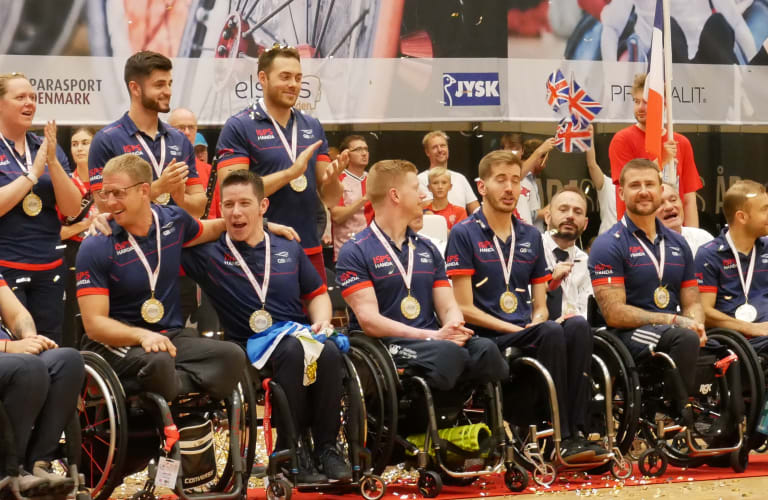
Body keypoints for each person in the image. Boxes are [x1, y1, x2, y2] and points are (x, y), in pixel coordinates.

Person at [182, 170, 352, 483]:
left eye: (245, 203)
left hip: (296, 336)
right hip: (246, 349)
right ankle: (290, 451)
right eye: (228, 204)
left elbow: (316, 295)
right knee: (292, 352)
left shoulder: (288, 248)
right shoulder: (208, 253)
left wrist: (322, 320)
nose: (235, 212)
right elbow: (167, 235)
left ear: (263, 206)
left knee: (328, 351)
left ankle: (327, 448)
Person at [445, 151, 608, 462]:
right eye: (501, 180)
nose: (510, 188)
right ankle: (559, 434)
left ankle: (577, 433)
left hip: (528, 329)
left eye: (516, 180)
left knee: (576, 325)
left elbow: (541, 303)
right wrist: (523, 327)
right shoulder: (463, 233)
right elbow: (463, 307)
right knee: (549, 333)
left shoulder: (530, 235)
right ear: (482, 187)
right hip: (488, 335)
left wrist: (538, 317)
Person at [75, 153, 246, 402]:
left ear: (144, 191)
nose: (109, 202)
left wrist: (262, 226)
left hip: (170, 337)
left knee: (232, 354)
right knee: (160, 362)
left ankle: (170, 395)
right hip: (118, 343)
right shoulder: (97, 244)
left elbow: (212, 228)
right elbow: (94, 325)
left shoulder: (174, 221)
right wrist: (142, 335)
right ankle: (172, 409)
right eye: (105, 193)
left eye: (118, 193)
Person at [336, 159, 508, 393]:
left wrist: (454, 326)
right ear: (395, 196)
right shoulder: (355, 250)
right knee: (448, 356)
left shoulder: (427, 248)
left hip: (434, 340)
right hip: (389, 344)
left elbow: (448, 305)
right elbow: (370, 322)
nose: (424, 195)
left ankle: (460, 418)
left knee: (487, 350)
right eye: (416, 188)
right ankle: (429, 420)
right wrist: (434, 336)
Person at [216, 45, 344, 284]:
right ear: (262, 78)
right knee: (263, 320)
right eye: (285, 77)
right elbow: (232, 193)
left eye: (298, 78)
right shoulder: (239, 126)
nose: (293, 84)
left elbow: (330, 198)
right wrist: (290, 173)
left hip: (308, 246)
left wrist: (334, 178)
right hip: (259, 248)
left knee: (315, 319)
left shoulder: (312, 126)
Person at [588, 159, 705, 412]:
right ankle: (678, 415)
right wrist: (674, 321)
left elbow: (692, 301)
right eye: (635, 185)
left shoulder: (678, 242)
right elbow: (614, 314)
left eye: (650, 184)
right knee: (683, 338)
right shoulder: (608, 244)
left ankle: (730, 428)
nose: (643, 191)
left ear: (661, 190)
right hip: (625, 335)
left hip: (673, 331)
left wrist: (697, 324)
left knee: (730, 349)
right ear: (621, 193)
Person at [0, 73, 82, 345]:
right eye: (20, 97)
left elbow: (71, 208)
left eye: (33, 98)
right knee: (16, 347)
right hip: (5, 267)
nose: (30, 103)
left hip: (50, 267)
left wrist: (53, 164)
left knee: (51, 344)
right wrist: (33, 174)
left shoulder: (46, 147)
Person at [89, 52, 206, 217]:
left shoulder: (179, 139)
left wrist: (181, 198)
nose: (168, 91)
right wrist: (159, 187)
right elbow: (104, 207)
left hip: (175, 239)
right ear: (135, 88)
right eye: (159, 85)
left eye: (169, 84)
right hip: (129, 241)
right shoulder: (106, 140)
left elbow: (200, 208)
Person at [0, 273, 84, 496]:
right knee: (28, 368)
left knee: (68, 361)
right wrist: (8, 347)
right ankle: (8, 471)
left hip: (10, 354)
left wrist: (30, 338)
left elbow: (17, 313)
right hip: (6, 352)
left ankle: (38, 463)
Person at [608, 74, 702, 226]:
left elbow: (689, 199)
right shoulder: (622, 140)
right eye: (637, 102)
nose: (640, 108)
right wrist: (662, 159)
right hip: (636, 230)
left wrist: (693, 236)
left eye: (646, 102)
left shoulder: (681, 142)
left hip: (675, 230)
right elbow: (629, 187)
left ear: (663, 104)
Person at [695, 180, 768, 353]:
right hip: (736, 339)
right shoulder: (709, 254)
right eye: (764, 209)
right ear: (741, 217)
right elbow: (704, 312)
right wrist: (752, 328)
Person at [61, 126, 99, 347]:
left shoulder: (107, 182)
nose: (79, 148)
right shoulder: (65, 183)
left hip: (104, 252)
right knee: (75, 314)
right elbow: (57, 232)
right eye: (75, 144)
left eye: (85, 142)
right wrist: (86, 224)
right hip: (73, 255)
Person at [543, 186, 593, 319]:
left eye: (578, 212)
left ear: (585, 223)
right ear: (547, 217)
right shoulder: (530, 250)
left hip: (575, 332)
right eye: (563, 210)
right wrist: (550, 283)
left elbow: (587, 311)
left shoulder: (586, 262)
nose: (570, 216)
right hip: (538, 332)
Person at [330, 135, 373, 262]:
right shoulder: (338, 179)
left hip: (373, 251)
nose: (364, 153)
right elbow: (337, 216)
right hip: (347, 251)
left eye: (366, 149)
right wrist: (365, 199)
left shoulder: (375, 179)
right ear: (347, 155)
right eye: (358, 149)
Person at [418, 131, 480, 214]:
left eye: (443, 146)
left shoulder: (460, 178)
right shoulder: (420, 179)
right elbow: (429, 212)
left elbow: (476, 210)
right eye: (434, 147)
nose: (440, 150)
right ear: (427, 152)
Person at [657, 182, 713, 256]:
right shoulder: (645, 246)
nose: (669, 207)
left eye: (673, 200)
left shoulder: (702, 238)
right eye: (659, 203)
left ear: (681, 202)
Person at [584, 125, 617, 235]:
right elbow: (592, 165)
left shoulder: (639, 190)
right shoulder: (608, 185)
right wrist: (589, 138)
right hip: (608, 240)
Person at [520, 137, 556, 231]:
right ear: (539, 157)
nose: (545, 166)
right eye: (545, 161)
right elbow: (519, 215)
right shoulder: (520, 180)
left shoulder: (531, 180)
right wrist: (544, 212)